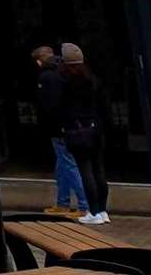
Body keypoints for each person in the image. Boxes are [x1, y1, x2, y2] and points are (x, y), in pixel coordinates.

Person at [57, 44, 111, 225]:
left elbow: (62, 108)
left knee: (85, 171)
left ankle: (93, 211)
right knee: (99, 170)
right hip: (96, 130)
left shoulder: (66, 82)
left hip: (78, 131)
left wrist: (66, 126)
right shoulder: (93, 80)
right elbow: (105, 106)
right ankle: (103, 211)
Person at [33, 45, 86, 217]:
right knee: (62, 166)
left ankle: (84, 205)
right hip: (68, 125)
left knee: (69, 165)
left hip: (59, 127)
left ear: (39, 61)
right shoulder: (64, 72)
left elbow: (50, 105)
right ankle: (62, 203)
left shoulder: (47, 76)